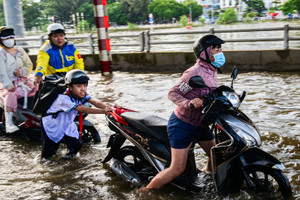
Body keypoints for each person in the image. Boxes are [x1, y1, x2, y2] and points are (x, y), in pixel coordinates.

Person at [141, 34, 226, 190]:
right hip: (182, 125)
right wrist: (189, 103)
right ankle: (145, 191)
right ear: (204, 52)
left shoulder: (212, 69)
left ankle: (208, 179)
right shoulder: (193, 73)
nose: (220, 52)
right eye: (215, 49)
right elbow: (172, 93)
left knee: (215, 157)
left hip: (201, 124)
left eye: (220, 48)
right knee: (177, 168)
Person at [41, 69, 113, 160]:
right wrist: (104, 112)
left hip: (66, 122)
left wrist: (109, 107)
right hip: (53, 124)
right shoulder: (63, 98)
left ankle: (65, 161)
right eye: (78, 86)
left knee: (77, 144)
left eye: (85, 85)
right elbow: (82, 109)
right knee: (48, 154)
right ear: (70, 87)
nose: (83, 88)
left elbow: (95, 102)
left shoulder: (81, 94)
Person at [0, 26, 38, 133]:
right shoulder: (1, 54)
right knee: (10, 94)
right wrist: (8, 85)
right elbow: (1, 72)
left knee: (38, 87)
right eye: (5, 38)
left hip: (22, 81)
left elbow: (29, 65)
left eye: (11, 37)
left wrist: (21, 71)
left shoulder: (20, 51)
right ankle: (9, 124)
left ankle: (33, 113)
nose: (9, 40)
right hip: (7, 84)